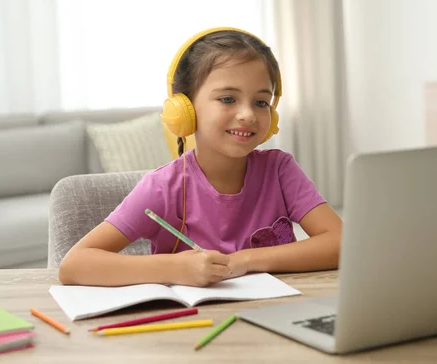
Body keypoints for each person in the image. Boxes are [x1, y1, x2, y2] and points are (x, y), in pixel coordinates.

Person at [59, 27, 342, 287]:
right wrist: (172, 268)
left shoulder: (280, 170)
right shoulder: (161, 187)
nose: (247, 114)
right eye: (228, 99)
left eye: (260, 102)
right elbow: (74, 265)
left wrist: (243, 261)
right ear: (185, 109)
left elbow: (342, 243)